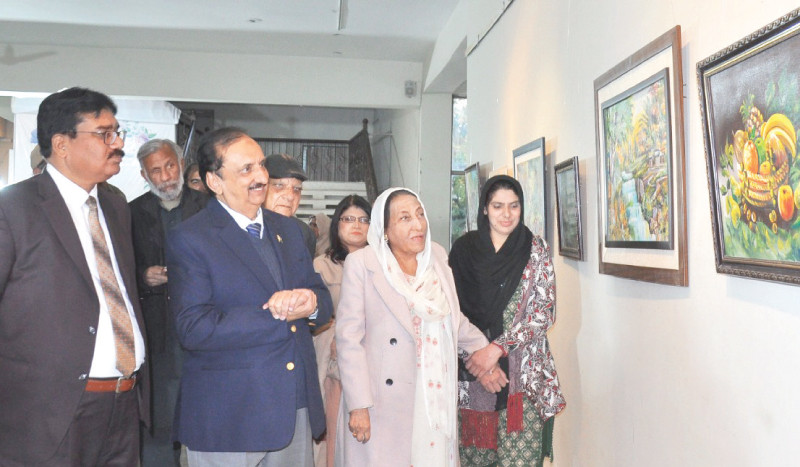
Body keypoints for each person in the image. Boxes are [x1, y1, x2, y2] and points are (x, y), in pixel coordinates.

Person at [165, 127, 333, 467]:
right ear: (215, 181)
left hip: (293, 406)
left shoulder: (289, 229)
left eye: (260, 165)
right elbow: (194, 328)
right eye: (246, 170)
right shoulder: (191, 238)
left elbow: (321, 300)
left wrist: (311, 304)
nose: (260, 177)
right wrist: (276, 314)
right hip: (229, 415)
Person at [0, 87, 149, 466]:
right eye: (103, 134)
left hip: (123, 401)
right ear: (61, 144)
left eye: (118, 133)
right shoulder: (14, 209)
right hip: (48, 414)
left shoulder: (115, 204)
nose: (117, 144)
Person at [335, 188, 505, 467]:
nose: (418, 224)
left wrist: (484, 354)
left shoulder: (436, 257)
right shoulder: (363, 264)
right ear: (385, 229)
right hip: (382, 401)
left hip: (434, 395)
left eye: (420, 214)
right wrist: (358, 405)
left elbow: (453, 319)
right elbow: (349, 340)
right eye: (404, 218)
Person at [449, 175, 566, 467]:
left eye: (514, 206)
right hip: (472, 375)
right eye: (498, 205)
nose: (506, 214)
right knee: (474, 460)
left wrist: (497, 349)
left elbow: (544, 312)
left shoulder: (535, 248)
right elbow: (449, 311)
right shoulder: (464, 251)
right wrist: (481, 363)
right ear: (485, 208)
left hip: (522, 378)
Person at [130, 138, 208, 465]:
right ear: (145, 176)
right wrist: (143, 276)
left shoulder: (209, 207)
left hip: (203, 330)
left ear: (181, 163)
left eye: (170, 166)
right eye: (156, 171)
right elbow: (122, 268)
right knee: (160, 418)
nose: (166, 177)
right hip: (157, 333)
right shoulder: (131, 212)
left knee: (204, 416)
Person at [311, 195, 371, 467]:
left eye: (363, 220)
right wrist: (335, 336)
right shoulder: (321, 265)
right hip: (336, 367)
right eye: (348, 219)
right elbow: (315, 319)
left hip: (376, 366)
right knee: (337, 438)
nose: (356, 225)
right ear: (337, 225)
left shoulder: (384, 264)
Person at [263, 153, 316, 256]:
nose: (290, 196)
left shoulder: (303, 234)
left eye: (297, 189)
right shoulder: (247, 229)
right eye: (279, 185)